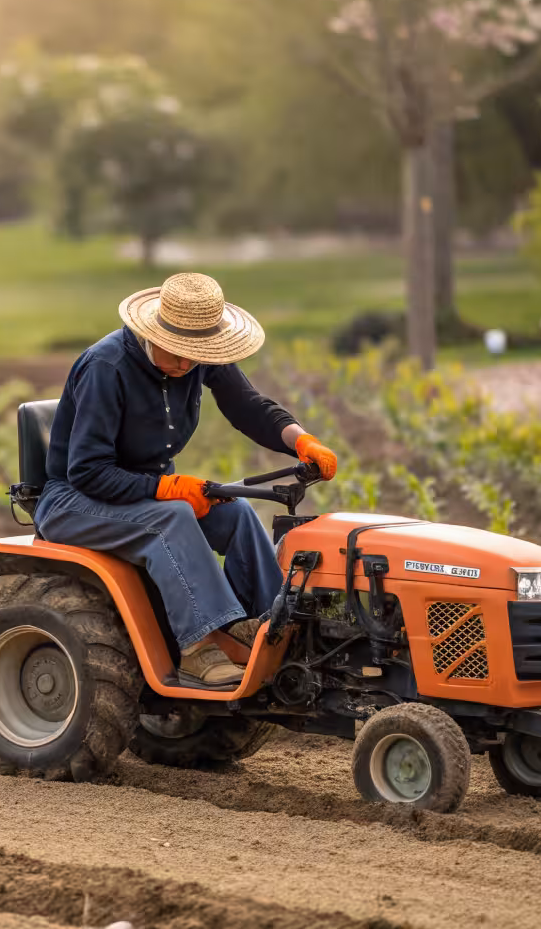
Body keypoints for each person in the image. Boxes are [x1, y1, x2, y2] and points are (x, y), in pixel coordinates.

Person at [36, 272, 339, 687]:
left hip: (141, 494)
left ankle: (271, 629)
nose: (185, 364)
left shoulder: (195, 359)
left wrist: (299, 439)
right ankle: (198, 647)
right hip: (74, 501)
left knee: (238, 512)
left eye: (194, 356)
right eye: (177, 353)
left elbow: (247, 405)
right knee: (175, 517)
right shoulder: (106, 367)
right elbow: (87, 471)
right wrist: (164, 488)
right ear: (151, 331)